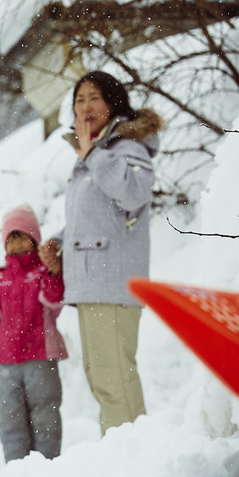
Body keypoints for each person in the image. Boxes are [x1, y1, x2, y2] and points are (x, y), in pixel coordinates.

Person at [39, 70, 163, 436]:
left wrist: (92, 153)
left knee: (115, 380)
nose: (86, 106)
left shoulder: (127, 148)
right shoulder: (91, 155)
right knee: (101, 379)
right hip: (90, 284)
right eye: (79, 99)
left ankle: (135, 461)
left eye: (94, 97)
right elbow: (95, 219)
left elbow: (132, 195)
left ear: (113, 103)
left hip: (113, 283)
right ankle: (121, 456)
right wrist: (59, 242)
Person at [0, 204, 67, 462]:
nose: (17, 245)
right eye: (11, 239)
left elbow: (55, 301)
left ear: (34, 240)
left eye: (22, 237)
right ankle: (16, 470)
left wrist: (55, 273)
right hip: (7, 363)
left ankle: (47, 466)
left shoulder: (43, 274)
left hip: (41, 357)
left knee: (45, 415)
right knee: (9, 416)